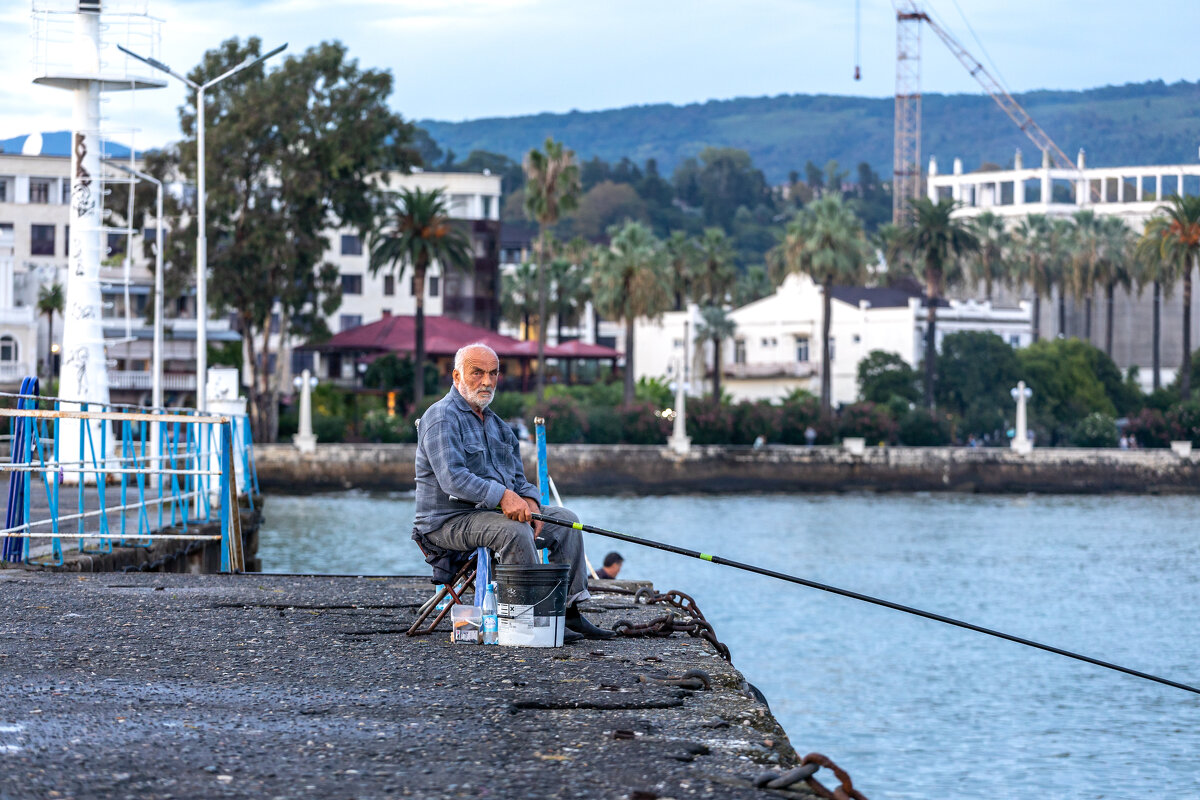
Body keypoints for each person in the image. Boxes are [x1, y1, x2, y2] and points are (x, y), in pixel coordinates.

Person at [412, 342, 613, 642]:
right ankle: (529, 617)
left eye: (493, 373)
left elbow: (519, 480)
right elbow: (453, 480)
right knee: (513, 532)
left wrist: (530, 501)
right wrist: (505, 498)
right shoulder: (441, 417)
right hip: (446, 522)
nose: (487, 381)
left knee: (566, 522)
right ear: (456, 377)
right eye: (477, 372)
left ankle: (567, 613)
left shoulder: (500, 427)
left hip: (489, 516)